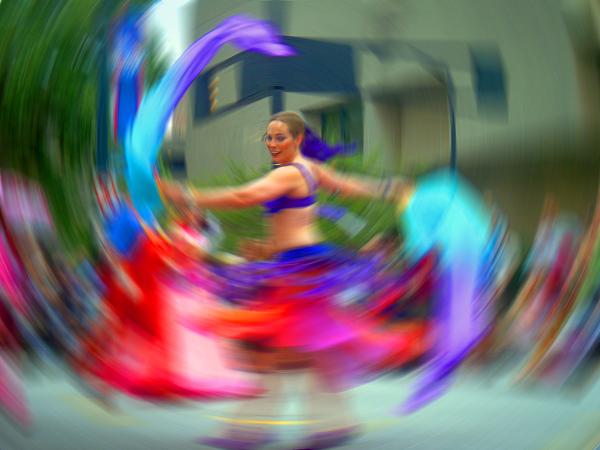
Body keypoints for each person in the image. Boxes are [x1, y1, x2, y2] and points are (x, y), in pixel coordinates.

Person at [160, 111, 421, 449]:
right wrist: (388, 188)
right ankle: (327, 424)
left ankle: (260, 429)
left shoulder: (289, 173)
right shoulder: (309, 169)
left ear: (297, 139)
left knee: (280, 350)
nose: (272, 143)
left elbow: (243, 196)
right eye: (269, 137)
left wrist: (185, 196)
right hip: (296, 267)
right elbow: (345, 185)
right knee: (306, 350)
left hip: (301, 272)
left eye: (279, 137)